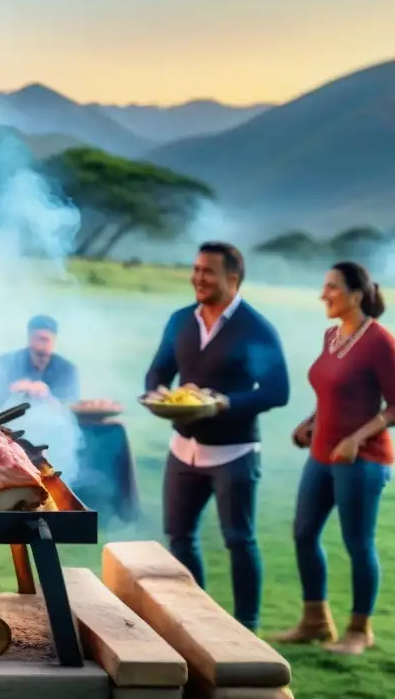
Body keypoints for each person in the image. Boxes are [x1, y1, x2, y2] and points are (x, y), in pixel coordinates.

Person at [144, 242, 289, 633]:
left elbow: (277, 391)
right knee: (179, 538)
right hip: (182, 451)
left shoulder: (255, 329)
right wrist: (158, 395)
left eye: (208, 271)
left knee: (239, 540)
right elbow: (157, 374)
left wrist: (223, 404)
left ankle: (248, 627)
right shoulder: (180, 321)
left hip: (234, 453)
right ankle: (196, 622)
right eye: (195, 269)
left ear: (233, 278)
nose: (198, 278)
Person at [276, 262, 395, 654]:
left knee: (358, 543)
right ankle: (316, 621)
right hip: (322, 454)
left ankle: (359, 631)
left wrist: (355, 439)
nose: (323, 294)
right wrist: (310, 422)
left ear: (357, 293)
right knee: (303, 534)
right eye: (323, 286)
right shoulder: (332, 336)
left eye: (331, 287)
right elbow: (330, 393)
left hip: (362, 461)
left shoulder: (380, 341)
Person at [0, 315, 79, 412]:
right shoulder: (5, 362)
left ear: (54, 340)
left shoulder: (67, 369)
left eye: (45, 340)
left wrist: (48, 397)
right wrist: (12, 390)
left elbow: (71, 410)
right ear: (29, 338)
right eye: (37, 339)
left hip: (51, 423)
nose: (41, 346)